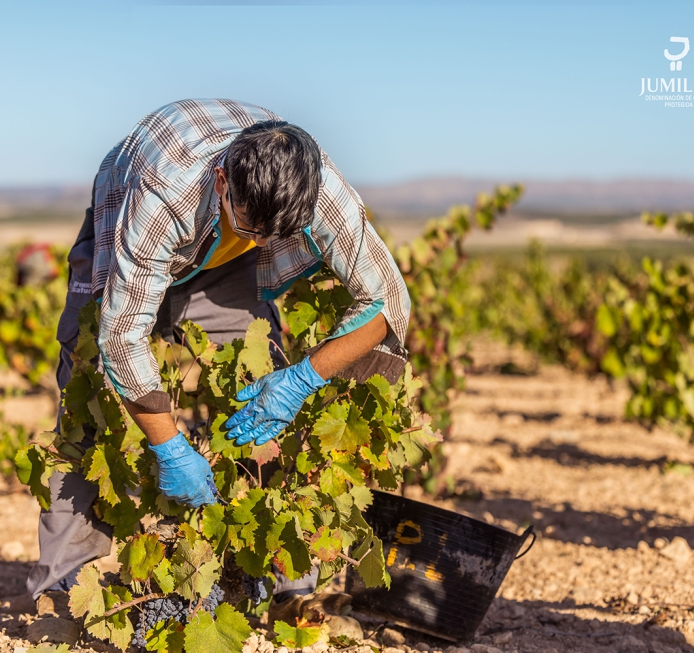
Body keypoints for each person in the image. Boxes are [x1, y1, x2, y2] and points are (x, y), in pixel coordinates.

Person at [26, 99, 411, 644]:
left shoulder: (319, 190)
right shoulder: (163, 194)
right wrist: (168, 448)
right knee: (86, 403)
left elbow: (387, 298)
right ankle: (65, 587)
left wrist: (301, 380)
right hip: (129, 232)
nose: (260, 244)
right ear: (222, 179)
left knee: (257, 383)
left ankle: (287, 586)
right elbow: (122, 333)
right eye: (251, 226)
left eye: (274, 235)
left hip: (219, 263)